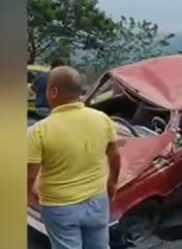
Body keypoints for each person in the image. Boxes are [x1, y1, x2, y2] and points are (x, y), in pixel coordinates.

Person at [27, 66, 121, 249]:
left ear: (53, 92)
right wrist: (112, 184)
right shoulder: (102, 119)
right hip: (97, 200)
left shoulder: (38, 132)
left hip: (59, 207)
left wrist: (27, 199)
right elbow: (115, 156)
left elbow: (30, 176)